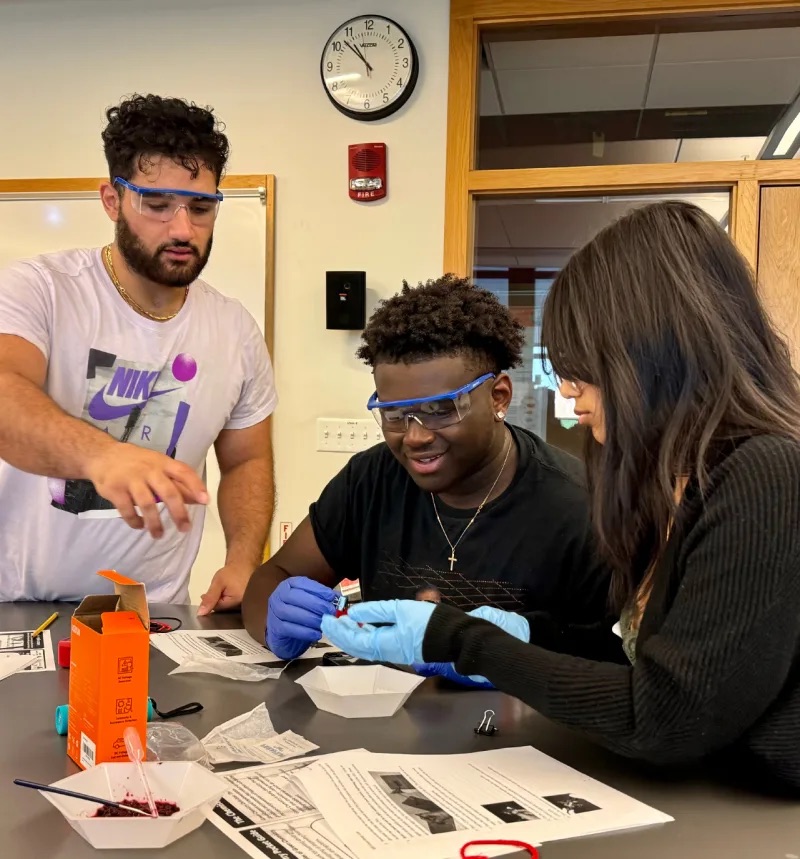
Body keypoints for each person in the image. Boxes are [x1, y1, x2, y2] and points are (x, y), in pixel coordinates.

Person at [321, 201, 800, 792]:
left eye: (583, 368)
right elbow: (634, 658)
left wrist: (462, 641)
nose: (568, 395)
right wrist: (522, 633)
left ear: (655, 356)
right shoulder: (678, 482)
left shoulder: (766, 473)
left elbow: (669, 714)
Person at [243, 275, 610, 686]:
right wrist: (276, 618)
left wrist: (512, 655)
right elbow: (271, 576)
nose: (415, 437)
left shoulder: (581, 505)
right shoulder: (372, 479)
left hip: (526, 738)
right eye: (396, 415)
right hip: (383, 735)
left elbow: (615, 658)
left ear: (499, 398)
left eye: (440, 409)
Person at [0, 94, 276, 610]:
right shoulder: (40, 289)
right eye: (156, 205)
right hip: (15, 606)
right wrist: (101, 455)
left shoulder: (235, 329)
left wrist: (243, 559)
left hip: (151, 614)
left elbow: (247, 460)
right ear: (111, 200)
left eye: (200, 208)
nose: (182, 230)